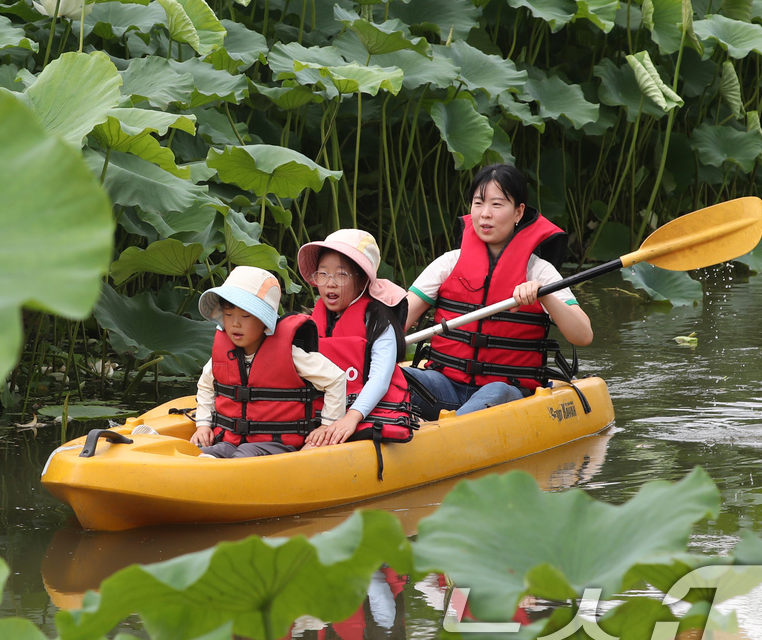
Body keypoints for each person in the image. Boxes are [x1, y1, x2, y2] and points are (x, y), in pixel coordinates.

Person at [403, 163, 593, 418]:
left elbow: (583, 335)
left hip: (506, 392)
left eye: (497, 204)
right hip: (444, 387)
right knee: (394, 377)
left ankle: (451, 436)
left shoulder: (539, 271)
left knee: (496, 391)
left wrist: (544, 293)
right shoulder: (448, 263)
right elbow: (397, 322)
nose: (485, 214)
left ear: (518, 212)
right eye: (478, 203)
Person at [190, 266, 346, 458]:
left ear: (265, 320)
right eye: (228, 315)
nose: (235, 324)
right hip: (231, 439)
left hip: (276, 443)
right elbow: (206, 386)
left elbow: (336, 378)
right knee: (209, 452)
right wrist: (203, 425)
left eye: (245, 316)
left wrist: (327, 426)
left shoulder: (291, 354)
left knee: (244, 454)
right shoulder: (222, 354)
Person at [295, 230, 417, 462]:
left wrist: (351, 418)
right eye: (323, 274)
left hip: (364, 411)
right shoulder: (312, 321)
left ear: (361, 280)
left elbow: (380, 379)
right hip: (323, 412)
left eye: (341, 275)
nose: (330, 283)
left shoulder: (378, 321)